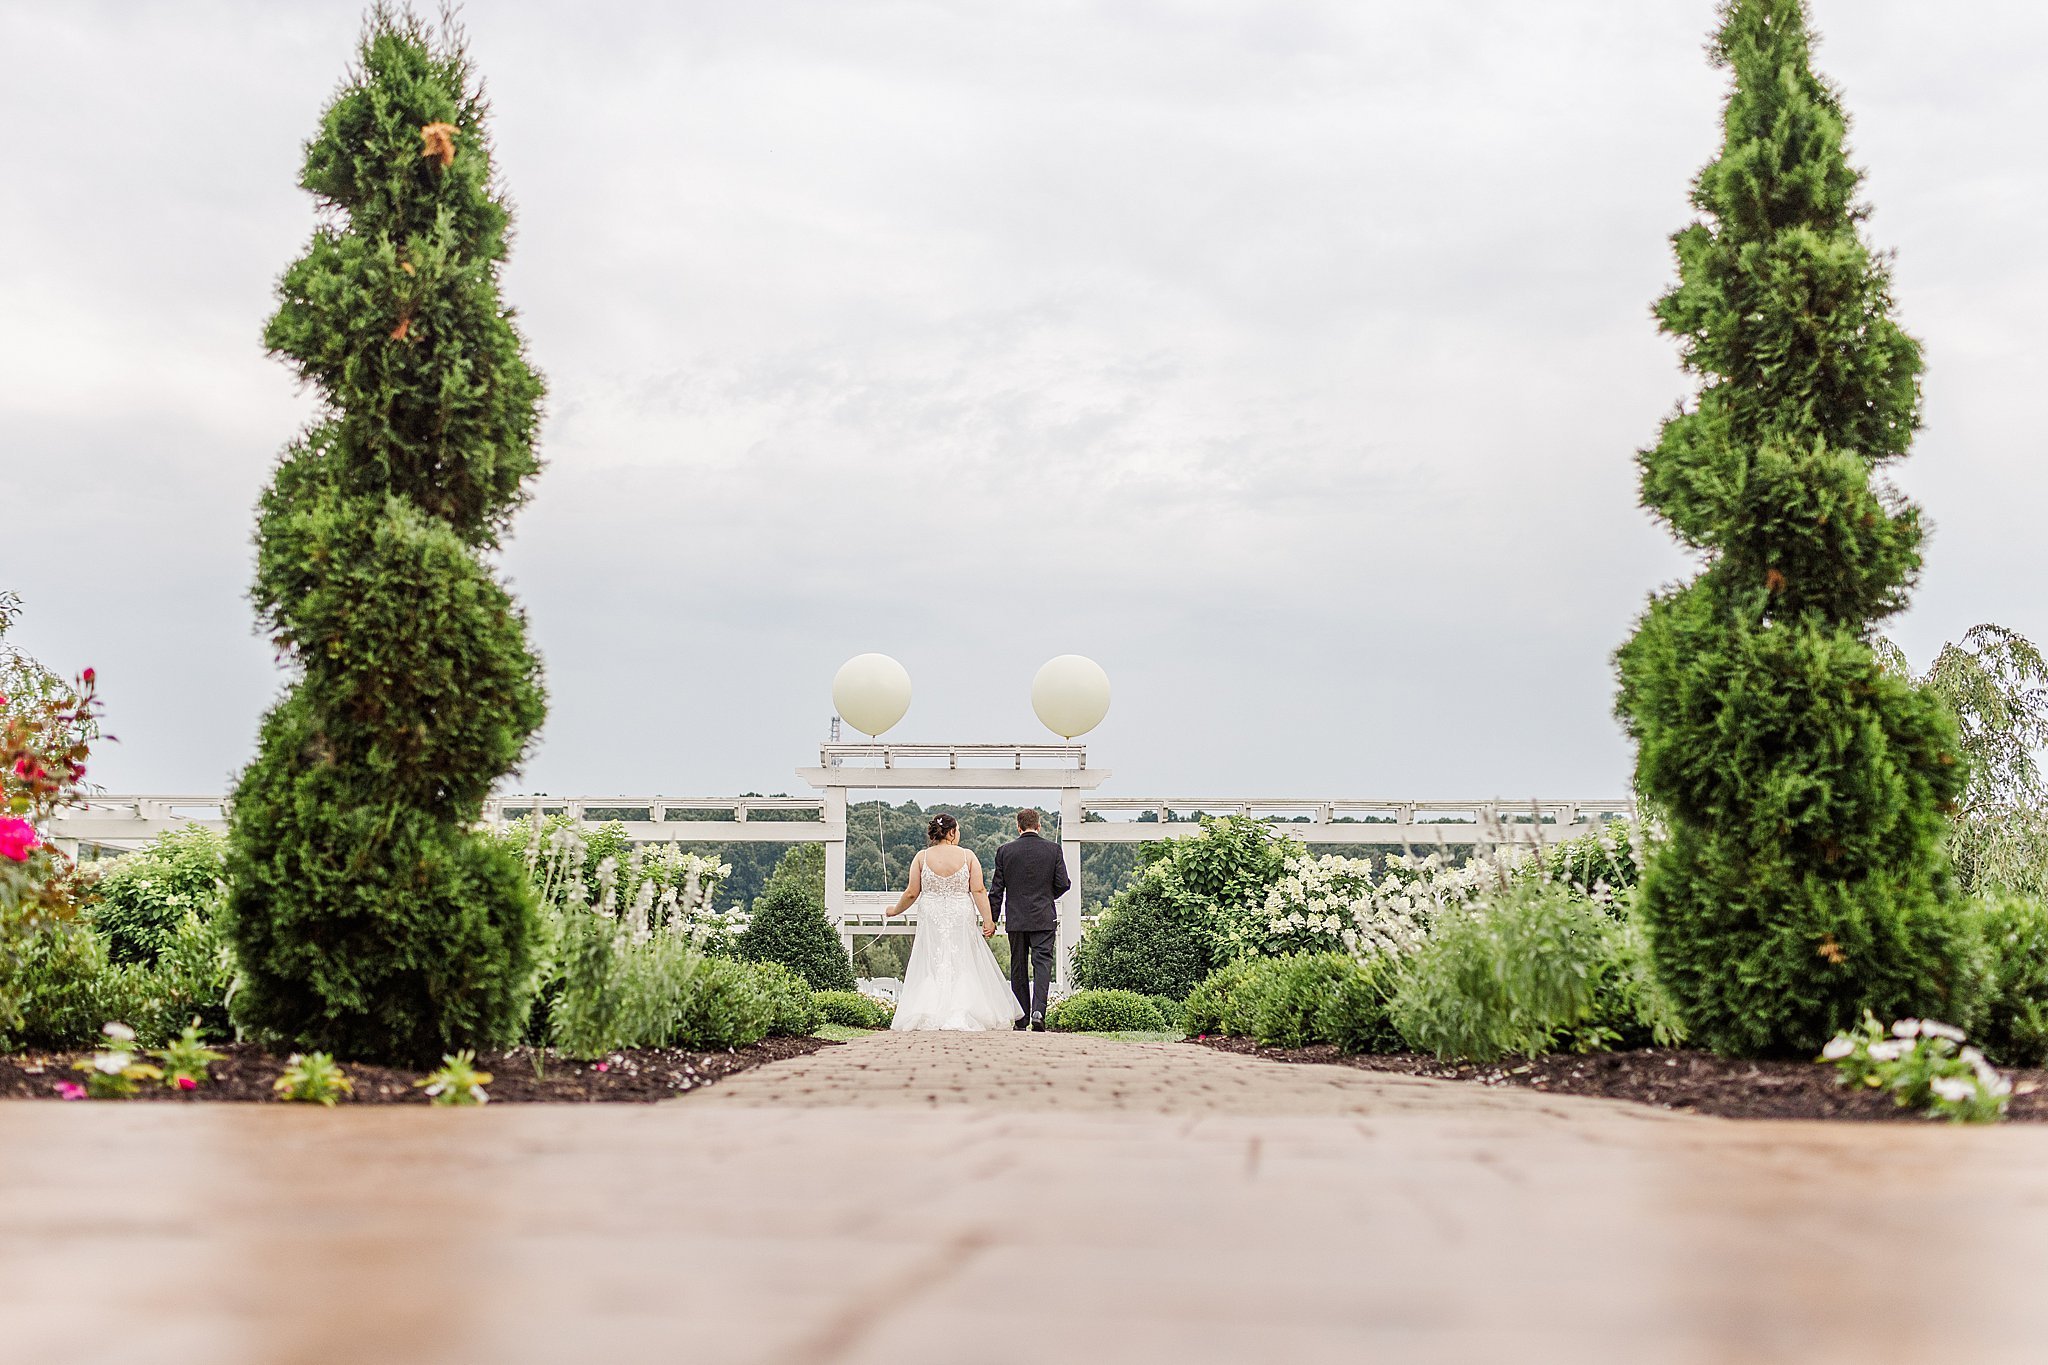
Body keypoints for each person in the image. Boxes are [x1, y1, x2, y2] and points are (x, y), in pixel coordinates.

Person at [885, 813, 1023, 1031]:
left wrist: (894, 910)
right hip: (960, 912)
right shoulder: (968, 856)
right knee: (963, 959)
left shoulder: (921, 857)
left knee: (932, 960)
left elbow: (912, 893)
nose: (958, 834)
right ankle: (964, 1009)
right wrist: (988, 920)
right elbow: (978, 890)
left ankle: (928, 1010)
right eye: (957, 830)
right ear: (951, 833)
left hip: (931, 914)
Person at [988, 807, 1071, 1031]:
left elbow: (996, 890)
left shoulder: (1005, 851)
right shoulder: (1053, 850)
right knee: (1042, 963)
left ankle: (1021, 1017)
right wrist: (1046, 896)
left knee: (1018, 967)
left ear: (1018, 826)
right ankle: (1038, 1012)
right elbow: (1064, 883)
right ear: (1039, 825)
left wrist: (991, 919)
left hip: (1016, 918)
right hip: (1043, 917)